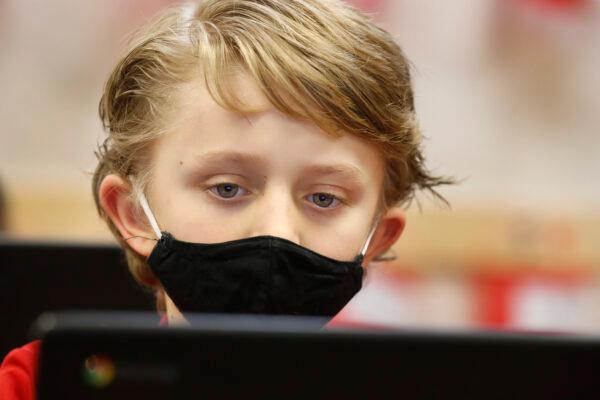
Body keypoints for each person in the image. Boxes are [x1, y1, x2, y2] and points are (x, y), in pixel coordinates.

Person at [0, 0, 451, 398]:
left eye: (323, 198)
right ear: (134, 212)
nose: (276, 230)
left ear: (376, 238)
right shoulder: (34, 386)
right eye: (227, 188)